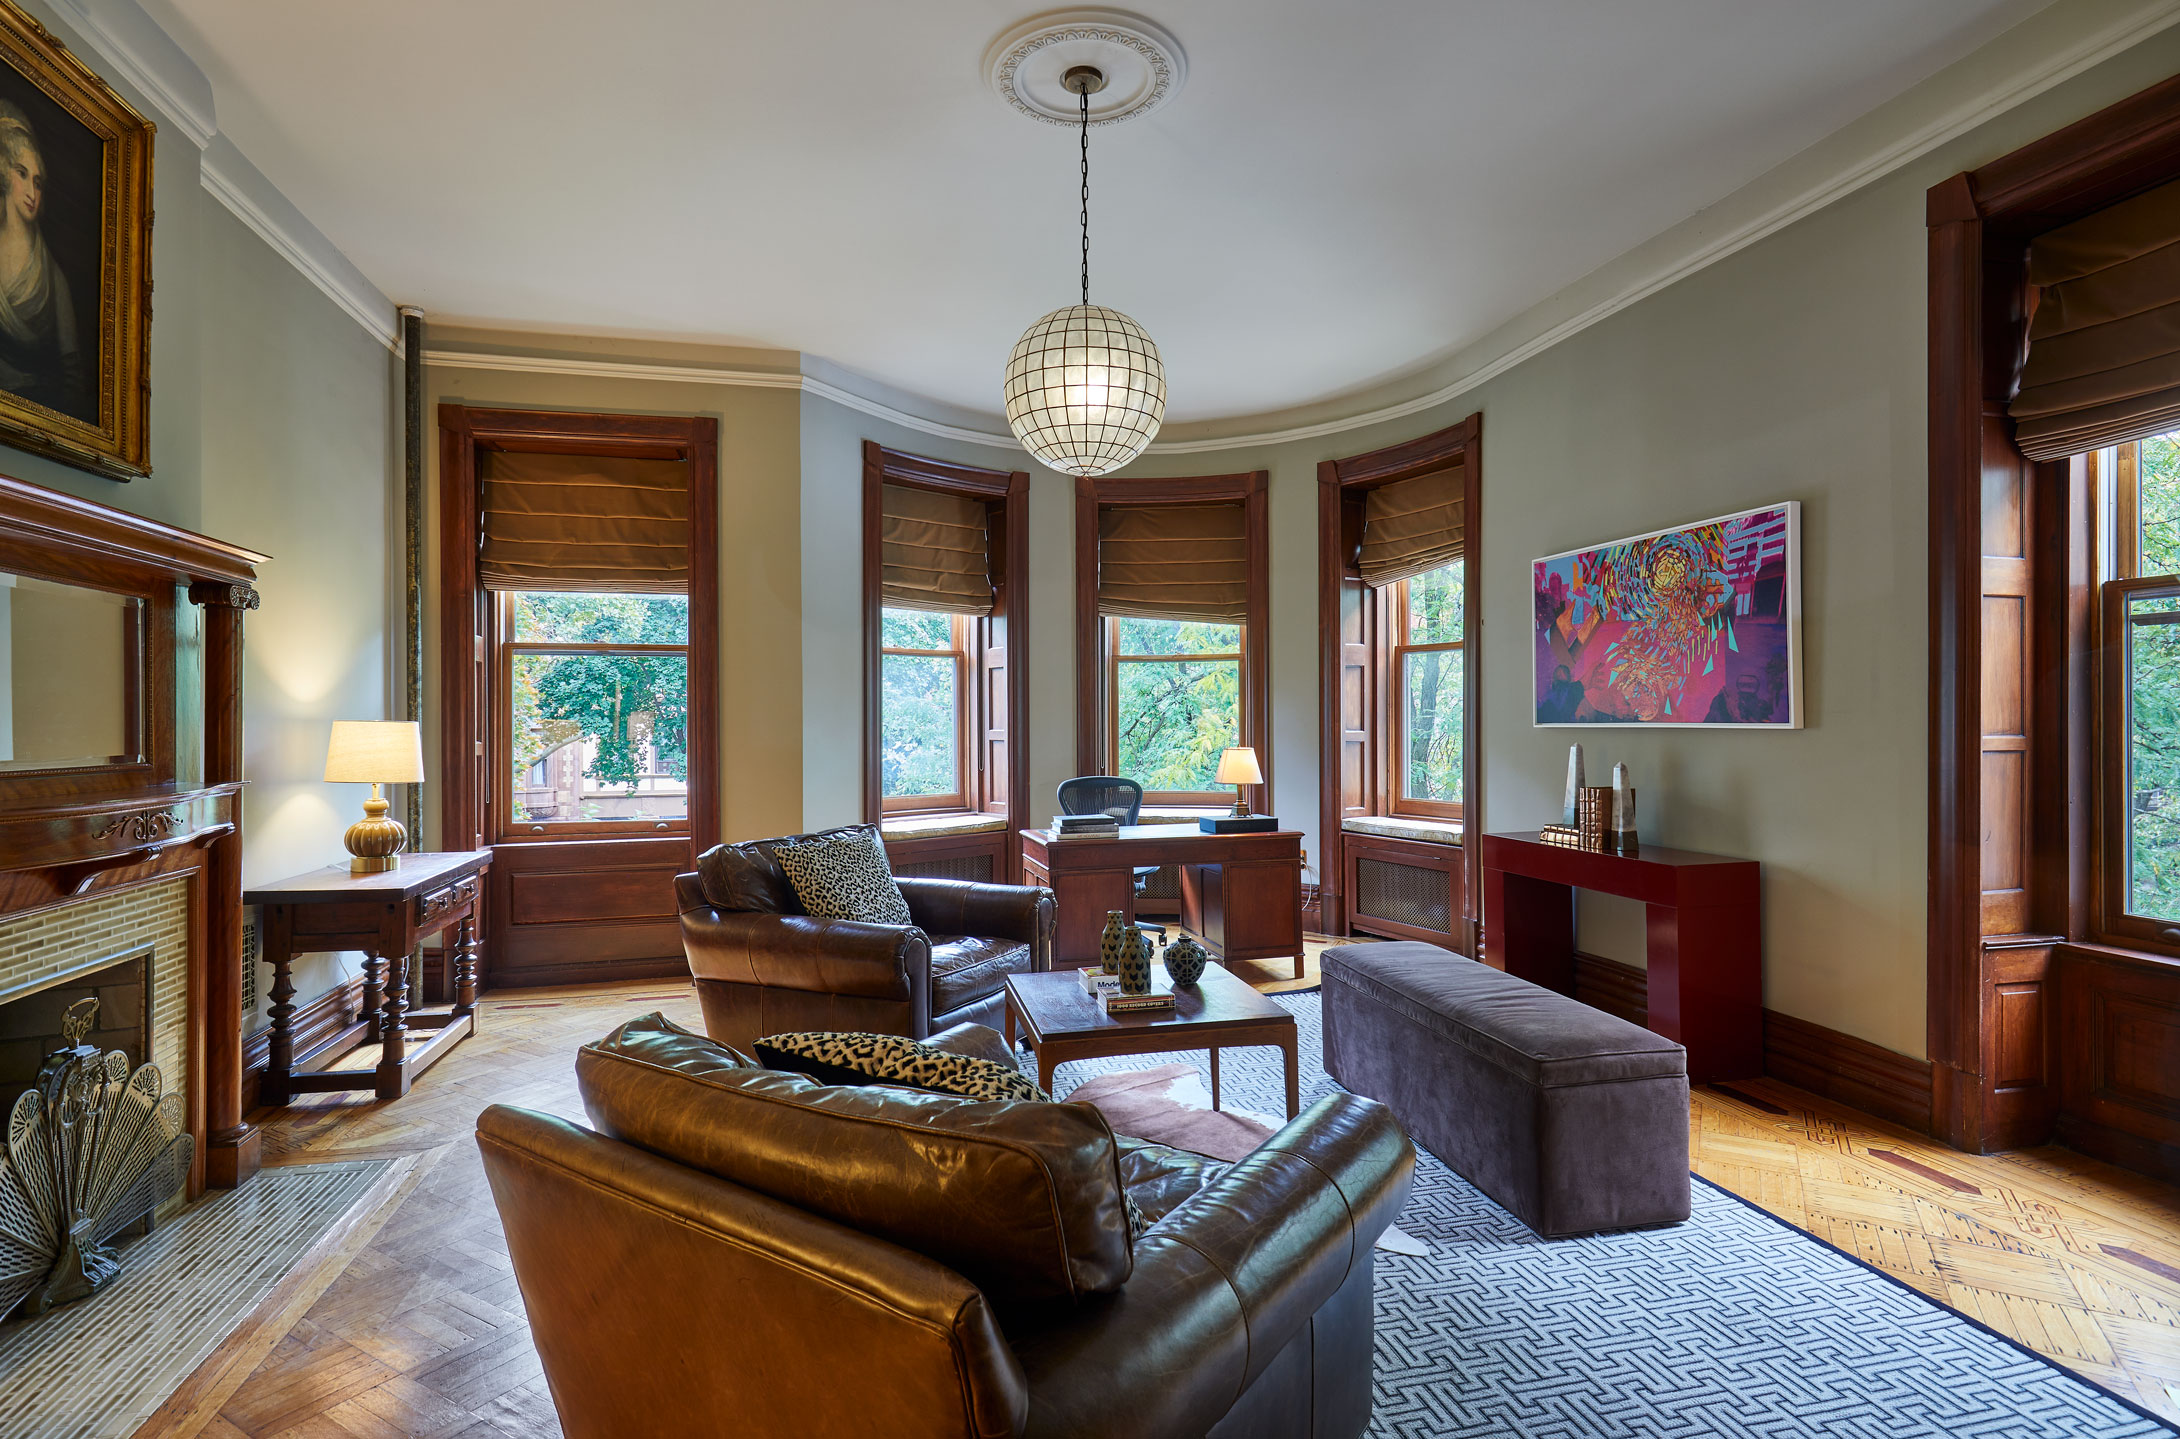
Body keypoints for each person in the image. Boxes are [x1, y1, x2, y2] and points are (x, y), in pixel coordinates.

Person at [0, 102, 83, 419]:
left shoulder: (52, 278)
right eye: (22, 173)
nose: (32, 190)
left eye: (38, 181)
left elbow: (73, 374)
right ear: (5, 174)